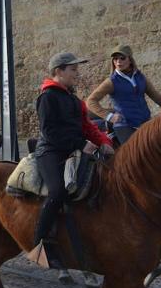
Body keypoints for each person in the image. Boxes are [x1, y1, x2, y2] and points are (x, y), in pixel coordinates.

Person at [32, 52, 114, 268]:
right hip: (50, 152)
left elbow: (87, 126)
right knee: (58, 191)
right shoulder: (47, 97)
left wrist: (105, 142)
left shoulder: (74, 99)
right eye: (73, 70)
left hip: (73, 151)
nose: (77, 74)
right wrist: (80, 144)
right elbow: (49, 132)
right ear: (59, 71)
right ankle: (38, 242)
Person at [86, 45, 161, 145]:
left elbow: (157, 97)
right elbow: (91, 101)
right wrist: (109, 116)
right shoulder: (111, 82)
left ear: (130, 60)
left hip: (145, 123)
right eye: (115, 59)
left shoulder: (141, 77)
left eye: (122, 58)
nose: (118, 62)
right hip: (124, 126)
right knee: (136, 158)